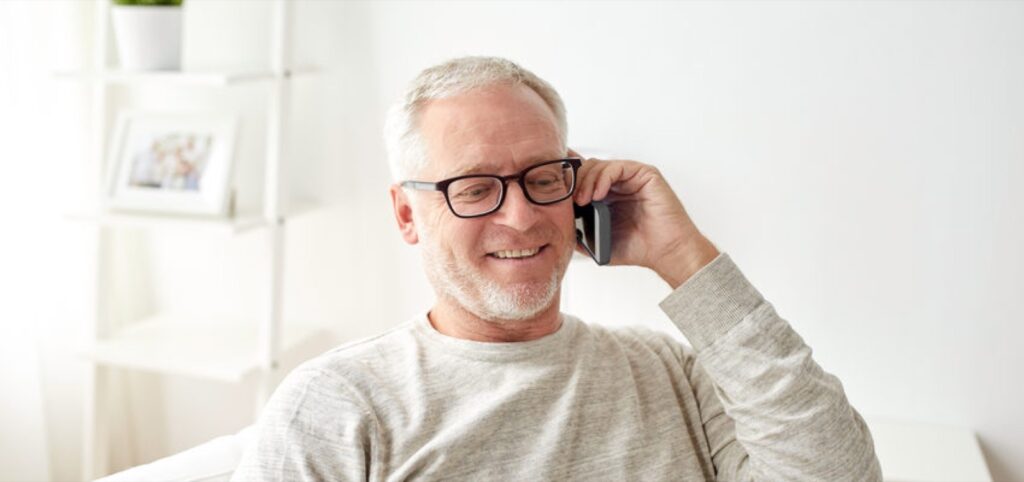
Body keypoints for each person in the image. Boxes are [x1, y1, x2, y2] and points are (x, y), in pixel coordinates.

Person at [232, 56, 882, 481]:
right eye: (477, 187)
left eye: (543, 177)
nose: (519, 217)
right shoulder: (339, 406)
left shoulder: (669, 371)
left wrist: (684, 258)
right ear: (406, 214)